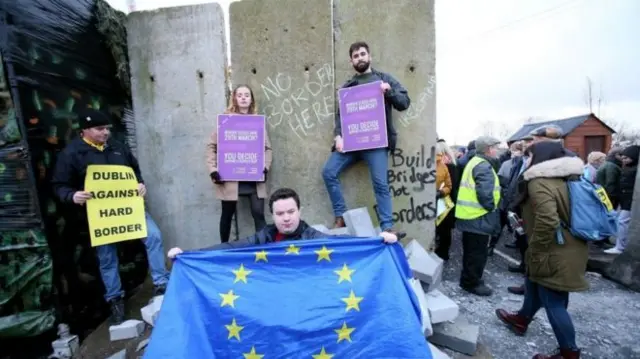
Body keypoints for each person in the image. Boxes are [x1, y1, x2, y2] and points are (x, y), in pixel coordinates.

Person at [51, 109, 170, 324]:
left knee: (154, 236)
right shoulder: (71, 154)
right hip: (101, 216)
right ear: (85, 130)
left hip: (130, 208)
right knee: (107, 257)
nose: (105, 132)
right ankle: (115, 299)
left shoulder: (118, 147)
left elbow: (135, 171)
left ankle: (161, 284)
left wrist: (140, 185)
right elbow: (59, 186)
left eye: (107, 128)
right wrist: (72, 195)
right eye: (100, 129)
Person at [495, 141, 587, 359]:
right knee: (534, 283)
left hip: (554, 250)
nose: (526, 159)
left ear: (540, 158)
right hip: (569, 246)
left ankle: (569, 352)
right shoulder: (568, 177)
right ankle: (522, 319)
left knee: (554, 300)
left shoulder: (539, 181)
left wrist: (535, 249)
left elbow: (547, 219)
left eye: (529, 155)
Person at [322, 41, 410, 234]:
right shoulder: (348, 86)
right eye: (356, 56)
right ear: (351, 61)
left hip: (376, 143)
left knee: (380, 183)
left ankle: (387, 227)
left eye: (362, 54)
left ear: (370, 56)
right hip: (352, 143)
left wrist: (389, 91)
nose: (360, 58)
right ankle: (341, 217)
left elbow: (404, 102)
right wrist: (338, 136)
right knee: (328, 172)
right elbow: (341, 116)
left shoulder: (383, 79)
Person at [167, 188, 402, 258]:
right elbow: (232, 248)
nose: (287, 218)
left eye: (291, 211)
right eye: (280, 214)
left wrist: (379, 239)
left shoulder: (311, 236)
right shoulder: (266, 235)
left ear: (299, 211)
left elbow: (342, 243)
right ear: (272, 215)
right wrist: (188, 253)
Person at [206, 84, 273, 243]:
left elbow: (267, 149)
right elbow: (211, 146)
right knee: (227, 215)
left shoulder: (258, 123)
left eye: (247, 95)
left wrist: (265, 168)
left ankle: (263, 248)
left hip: (253, 177)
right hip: (230, 178)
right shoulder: (226, 121)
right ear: (234, 98)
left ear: (251, 100)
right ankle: (224, 248)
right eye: (240, 95)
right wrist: (213, 170)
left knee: (258, 214)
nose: (243, 98)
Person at [455, 136, 502, 296]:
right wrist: (491, 207)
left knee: (472, 252)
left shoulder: (475, 162)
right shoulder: (483, 165)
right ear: (488, 149)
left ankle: (469, 279)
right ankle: (471, 283)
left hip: (471, 216)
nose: (497, 150)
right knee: (477, 253)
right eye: (495, 147)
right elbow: (485, 193)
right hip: (479, 216)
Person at [604, 145, 638, 255]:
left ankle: (620, 247)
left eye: (626, 158)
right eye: (622, 158)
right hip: (625, 199)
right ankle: (620, 245)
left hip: (629, 200)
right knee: (622, 221)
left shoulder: (634, 169)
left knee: (622, 221)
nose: (623, 160)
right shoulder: (628, 167)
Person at [434, 138, 457, 261]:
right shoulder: (452, 165)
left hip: (443, 200)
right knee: (444, 230)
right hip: (447, 200)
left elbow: (450, 186)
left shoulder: (445, 166)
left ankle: (442, 252)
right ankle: (443, 251)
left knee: (442, 230)